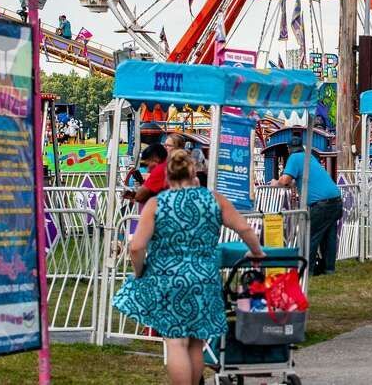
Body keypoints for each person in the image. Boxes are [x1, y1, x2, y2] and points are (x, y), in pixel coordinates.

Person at [113, 149, 265, 385]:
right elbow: (244, 229)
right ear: (194, 172)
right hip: (204, 277)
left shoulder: (156, 204)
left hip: (167, 280)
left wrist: (140, 270)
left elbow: (136, 247)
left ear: (167, 177)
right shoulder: (214, 199)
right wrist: (257, 253)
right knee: (196, 341)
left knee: (175, 341)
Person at [271, 143, 343, 275]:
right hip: (336, 199)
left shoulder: (294, 158)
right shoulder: (309, 157)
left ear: (289, 149)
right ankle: (329, 269)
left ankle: (306, 270)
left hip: (322, 204)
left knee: (310, 235)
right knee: (329, 236)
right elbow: (297, 180)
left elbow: (286, 180)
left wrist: (276, 183)